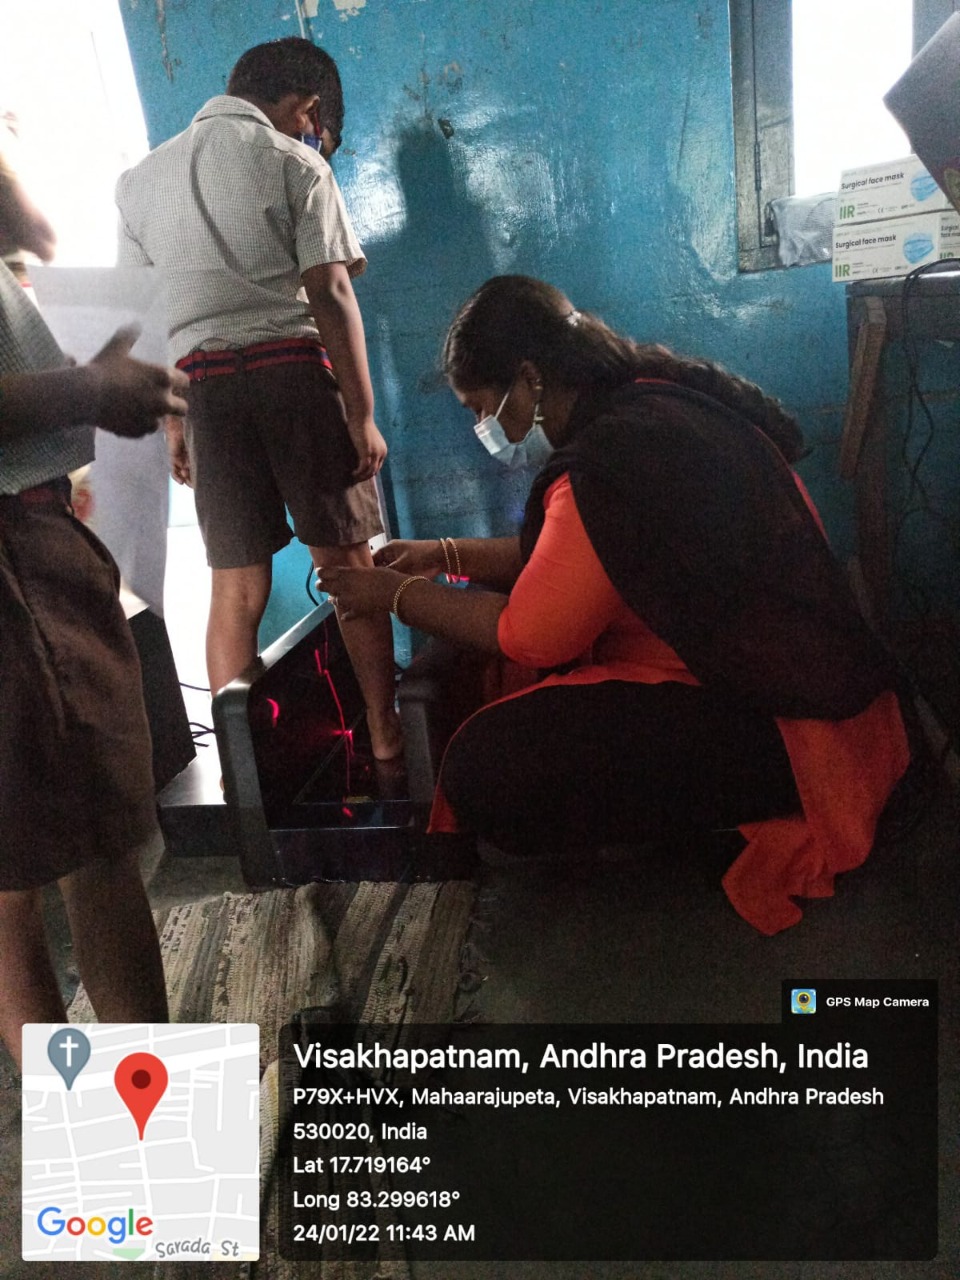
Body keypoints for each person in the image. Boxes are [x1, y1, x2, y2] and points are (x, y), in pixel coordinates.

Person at [316, 274, 916, 935]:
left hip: (797, 731)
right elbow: (573, 554)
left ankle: (713, 823)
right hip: (832, 698)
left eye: (481, 407)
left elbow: (533, 634)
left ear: (530, 378)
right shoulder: (648, 406)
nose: (483, 428)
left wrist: (397, 596)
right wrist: (444, 554)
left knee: (486, 770)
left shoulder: (608, 459)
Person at [115, 37, 401, 760]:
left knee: (235, 588)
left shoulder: (139, 181)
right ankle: (386, 734)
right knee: (349, 569)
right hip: (294, 376)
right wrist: (363, 415)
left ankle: (246, 776)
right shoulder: (295, 162)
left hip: (203, 392)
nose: (314, 136)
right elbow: (330, 292)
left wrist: (174, 429)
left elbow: (144, 317)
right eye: (316, 124)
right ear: (306, 108)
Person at [0, 211, 188, 1065]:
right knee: (100, 846)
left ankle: (90, 1130)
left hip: (24, 538)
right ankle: (158, 1132)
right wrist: (88, 390)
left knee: (11, 878)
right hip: (14, 557)